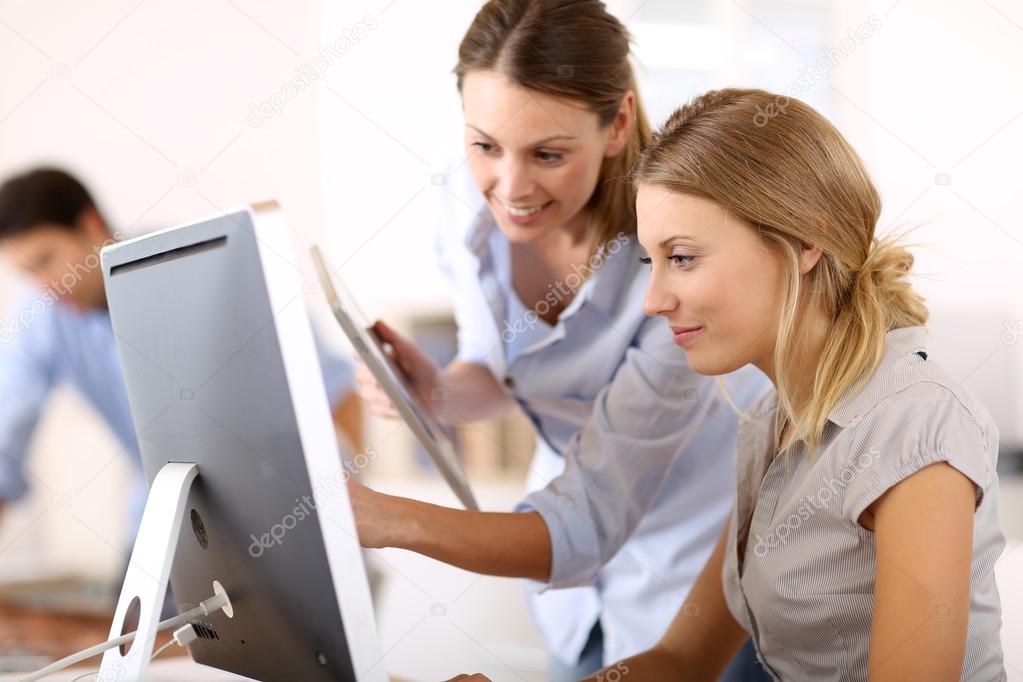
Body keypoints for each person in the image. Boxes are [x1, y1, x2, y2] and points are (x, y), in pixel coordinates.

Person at [451, 87, 1007, 681]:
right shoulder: (769, 426)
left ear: (802, 241)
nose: (655, 301)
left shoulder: (913, 425)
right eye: (650, 262)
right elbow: (681, 661)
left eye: (683, 258)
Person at [350, 2, 770, 679]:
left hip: (693, 584)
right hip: (574, 598)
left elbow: (590, 524)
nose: (509, 188)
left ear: (618, 124)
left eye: (547, 154)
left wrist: (387, 519)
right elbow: (507, 375)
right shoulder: (467, 210)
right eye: (484, 145)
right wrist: (436, 392)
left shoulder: (674, 266)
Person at [0, 168, 362, 548]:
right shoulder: (43, 318)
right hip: (163, 527)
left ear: (89, 225)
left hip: (281, 520)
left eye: (46, 260)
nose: (46, 285)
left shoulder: (206, 268)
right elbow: (7, 425)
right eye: (28, 273)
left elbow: (336, 392)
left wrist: (345, 523)